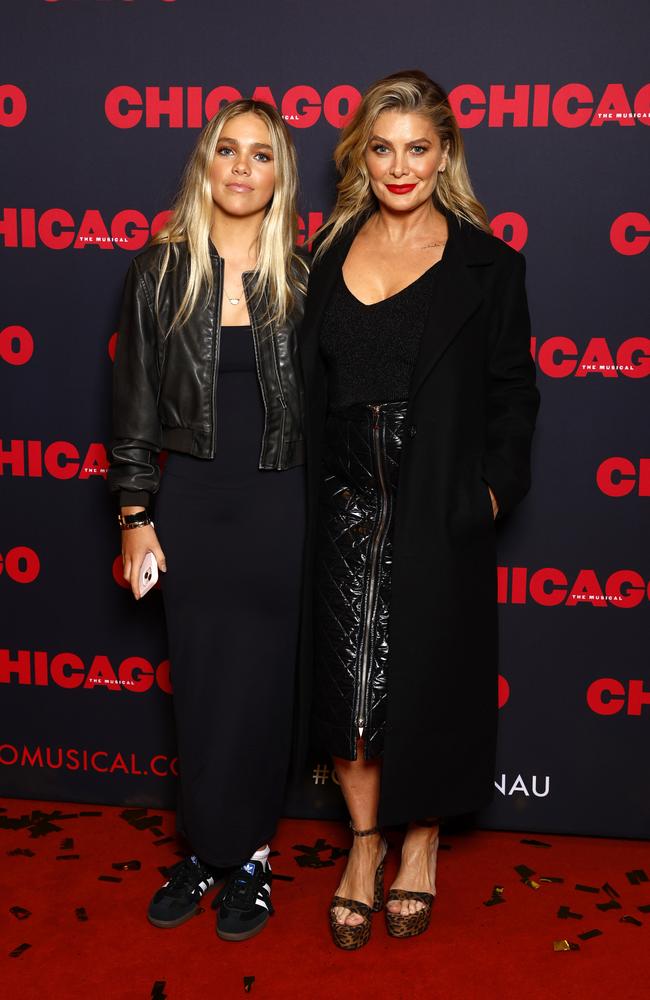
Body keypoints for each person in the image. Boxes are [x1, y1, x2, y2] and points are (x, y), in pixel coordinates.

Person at [298, 70, 540, 949]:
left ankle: (422, 843)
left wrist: (490, 490)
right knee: (350, 685)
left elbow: (515, 390)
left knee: (428, 677)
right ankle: (364, 847)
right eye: (383, 147)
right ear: (364, 153)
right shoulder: (327, 249)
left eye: (419, 148)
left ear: (445, 155)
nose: (400, 166)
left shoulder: (488, 262)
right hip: (340, 497)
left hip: (440, 496)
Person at [108, 99, 308, 942]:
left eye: (260, 155)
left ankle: (251, 859)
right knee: (200, 684)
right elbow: (133, 406)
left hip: (279, 502)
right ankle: (204, 848)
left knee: (264, 689)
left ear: (279, 177)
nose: (240, 167)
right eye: (227, 150)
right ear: (205, 163)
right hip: (188, 501)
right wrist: (133, 513)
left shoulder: (307, 275)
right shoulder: (160, 268)